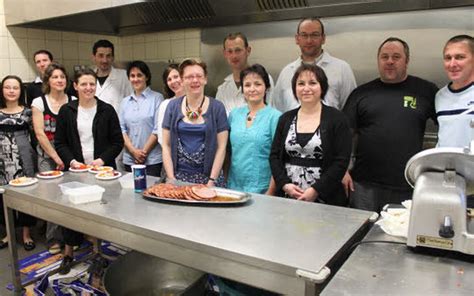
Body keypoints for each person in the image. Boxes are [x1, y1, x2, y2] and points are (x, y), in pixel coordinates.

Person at [343, 37, 439, 212]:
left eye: (396, 57)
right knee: (362, 236)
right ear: (378, 60)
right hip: (364, 186)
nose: (389, 61)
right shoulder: (361, 93)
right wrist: (343, 170)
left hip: (407, 184)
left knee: (398, 236)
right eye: (384, 56)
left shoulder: (426, 91)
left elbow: (447, 126)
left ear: (407, 61)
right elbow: (343, 135)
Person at [54, 68, 123, 274]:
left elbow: (117, 141)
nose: (88, 88)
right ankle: (68, 253)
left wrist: (102, 160)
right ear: (75, 86)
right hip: (75, 172)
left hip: (101, 173)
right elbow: (60, 142)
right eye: (83, 84)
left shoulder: (107, 110)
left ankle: (97, 253)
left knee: (99, 212)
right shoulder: (67, 111)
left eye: (92, 84)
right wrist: (72, 161)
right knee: (70, 214)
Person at [270, 64, 351, 206]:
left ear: (322, 87)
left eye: (312, 83)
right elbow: (275, 156)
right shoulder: (285, 119)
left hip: (326, 197)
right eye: (301, 84)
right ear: (295, 88)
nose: (306, 88)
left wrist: (316, 190)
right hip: (288, 195)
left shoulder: (337, 119)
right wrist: (284, 185)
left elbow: (341, 161)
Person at [162, 59, 229, 187]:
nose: (195, 80)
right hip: (178, 177)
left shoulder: (217, 107)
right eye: (189, 77)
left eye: (199, 76)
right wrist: (171, 179)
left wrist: (211, 181)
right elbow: (166, 145)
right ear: (182, 80)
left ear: (205, 79)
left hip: (209, 178)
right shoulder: (172, 106)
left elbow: (221, 147)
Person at [31, 63, 75, 254]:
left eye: (62, 77)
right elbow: (40, 134)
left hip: (70, 156)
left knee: (71, 196)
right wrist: (56, 157)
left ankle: (72, 237)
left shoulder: (73, 100)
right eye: (55, 77)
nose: (59, 80)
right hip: (48, 157)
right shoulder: (39, 102)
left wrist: (67, 157)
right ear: (48, 81)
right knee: (52, 197)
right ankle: (53, 238)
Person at [273, 18, 356, 112]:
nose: (309, 40)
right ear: (297, 39)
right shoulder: (286, 72)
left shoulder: (342, 69)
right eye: (304, 35)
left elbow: (350, 110)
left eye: (314, 35)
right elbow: (278, 110)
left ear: (323, 38)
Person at [227, 64, 281, 194]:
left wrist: (271, 191)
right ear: (242, 89)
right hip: (233, 186)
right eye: (247, 85)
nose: (252, 89)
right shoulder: (234, 115)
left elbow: (279, 159)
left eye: (257, 84)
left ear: (266, 87)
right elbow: (227, 151)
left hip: (262, 188)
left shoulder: (275, 117)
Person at [0, 75, 37, 251]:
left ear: (21, 90)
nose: (11, 91)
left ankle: (26, 234)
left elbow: (36, 136)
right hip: (1, 160)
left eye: (15, 87)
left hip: (23, 158)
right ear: (2, 90)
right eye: (8, 87)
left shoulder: (28, 112)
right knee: (2, 197)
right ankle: (8, 233)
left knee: (25, 197)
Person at [119, 61, 163, 176]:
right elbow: (121, 129)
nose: (135, 79)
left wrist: (143, 153)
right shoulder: (125, 102)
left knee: (150, 191)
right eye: (132, 76)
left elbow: (157, 129)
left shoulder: (157, 98)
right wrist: (133, 152)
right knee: (131, 192)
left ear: (147, 77)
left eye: (139, 75)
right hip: (130, 159)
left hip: (152, 159)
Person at [216, 32, 274, 114]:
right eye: (230, 51)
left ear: (248, 50)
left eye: (238, 50)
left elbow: (269, 113)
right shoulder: (222, 90)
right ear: (225, 54)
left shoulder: (263, 79)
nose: (234, 56)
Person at [435, 34, 474, 148]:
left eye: (460, 57)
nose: (452, 64)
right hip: (445, 165)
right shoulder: (440, 96)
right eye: (448, 58)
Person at [92, 39, 132, 113]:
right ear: (94, 57)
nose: (105, 60)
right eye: (101, 56)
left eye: (108, 56)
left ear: (113, 58)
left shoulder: (124, 76)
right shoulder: (88, 77)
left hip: (117, 123)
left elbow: (132, 103)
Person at [157, 63, 185, 146]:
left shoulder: (195, 101)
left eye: (176, 77)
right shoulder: (165, 105)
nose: (173, 81)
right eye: (169, 79)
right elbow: (161, 137)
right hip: (173, 154)